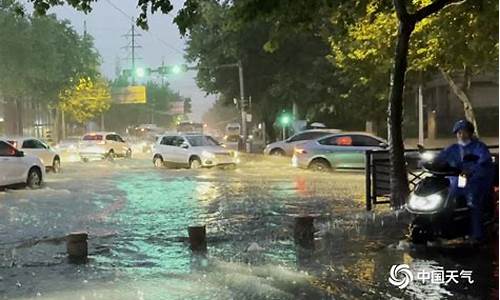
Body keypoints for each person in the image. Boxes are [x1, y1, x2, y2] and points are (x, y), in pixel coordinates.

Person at [436, 119, 494, 243]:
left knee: (473, 202)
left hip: (475, 180)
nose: (461, 135)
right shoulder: (453, 148)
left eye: (463, 132)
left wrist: (471, 170)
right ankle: (443, 229)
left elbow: (483, 161)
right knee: (445, 201)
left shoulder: (478, 147)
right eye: (458, 132)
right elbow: (440, 158)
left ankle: (477, 234)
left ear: (470, 133)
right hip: (455, 180)